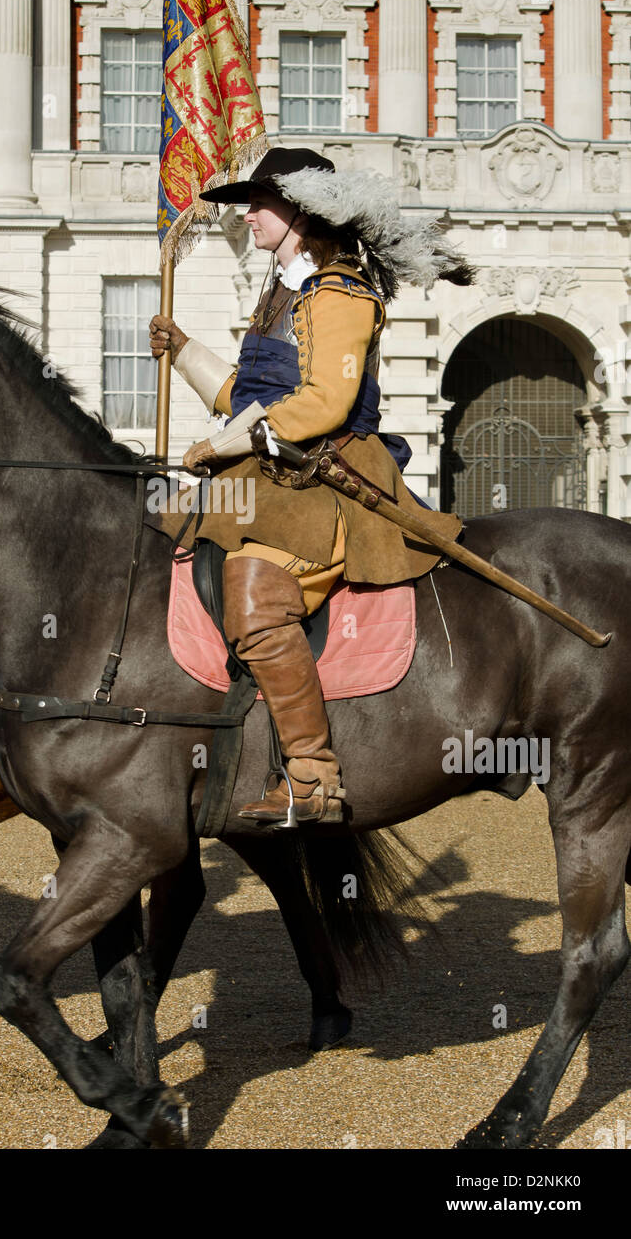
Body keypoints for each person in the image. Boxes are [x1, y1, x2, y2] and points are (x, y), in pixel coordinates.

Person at [150, 147, 472, 825]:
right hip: (270, 466)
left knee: (257, 597)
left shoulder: (341, 293)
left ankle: (312, 778)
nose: (248, 214)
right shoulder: (280, 295)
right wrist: (183, 351)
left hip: (328, 471)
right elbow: (250, 393)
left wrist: (224, 442)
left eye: (261, 203)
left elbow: (324, 403)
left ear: (302, 212)